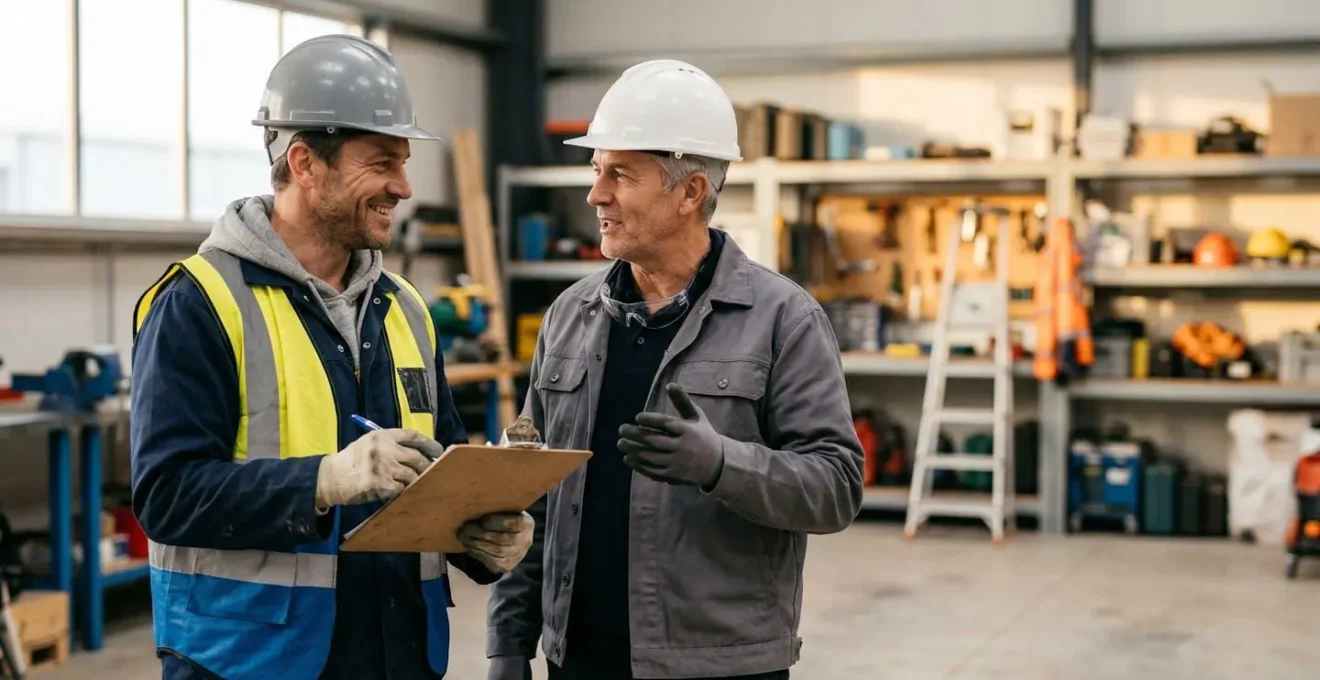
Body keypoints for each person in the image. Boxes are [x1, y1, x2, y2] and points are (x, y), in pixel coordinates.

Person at [129, 34, 534, 680]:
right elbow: (166, 495)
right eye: (381, 163)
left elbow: (442, 471)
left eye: (403, 163)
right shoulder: (199, 305)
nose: (403, 187)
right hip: (250, 662)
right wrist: (321, 482)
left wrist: (483, 538)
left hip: (397, 656)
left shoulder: (405, 309)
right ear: (305, 163)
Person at [485, 60, 865, 680]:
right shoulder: (570, 317)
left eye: (621, 175)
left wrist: (720, 464)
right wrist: (509, 638)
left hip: (716, 664)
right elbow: (530, 492)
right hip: (576, 659)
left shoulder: (782, 319)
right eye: (596, 170)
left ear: (690, 192)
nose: (596, 195)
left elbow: (836, 488)